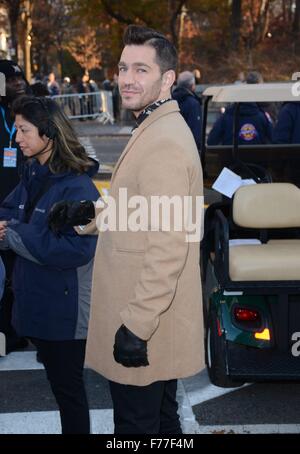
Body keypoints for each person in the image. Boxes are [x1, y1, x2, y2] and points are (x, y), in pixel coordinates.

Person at [48, 24, 205, 434]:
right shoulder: (155, 126)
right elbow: (141, 207)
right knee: (162, 422)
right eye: (122, 68)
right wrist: (88, 217)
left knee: (136, 428)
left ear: (167, 79)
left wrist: (137, 325)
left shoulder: (165, 140)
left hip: (146, 317)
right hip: (153, 317)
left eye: (141, 70)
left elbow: (169, 245)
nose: (127, 80)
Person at [0, 95, 99, 433]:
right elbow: (11, 211)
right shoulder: (33, 172)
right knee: (63, 390)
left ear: (48, 133)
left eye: (24, 130)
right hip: (39, 304)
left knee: (69, 394)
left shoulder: (79, 186)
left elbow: (78, 250)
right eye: (16, 130)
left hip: (65, 312)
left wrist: (13, 234)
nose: (17, 138)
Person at [0, 60, 31, 354]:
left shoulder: (30, 112)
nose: (18, 83)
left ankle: (18, 329)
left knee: (19, 270)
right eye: (11, 79)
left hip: (24, 204)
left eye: (20, 77)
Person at [207, 71, 273, 145]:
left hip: (231, 156)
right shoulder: (263, 117)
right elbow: (274, 140)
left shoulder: (226, 117)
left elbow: (211, 141)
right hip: (257, 156)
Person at [172, 70, 202, 152]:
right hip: (188, 152)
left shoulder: (170, 100)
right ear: (193, 86)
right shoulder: (193, 104)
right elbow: (196, 134)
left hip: (171, 149)